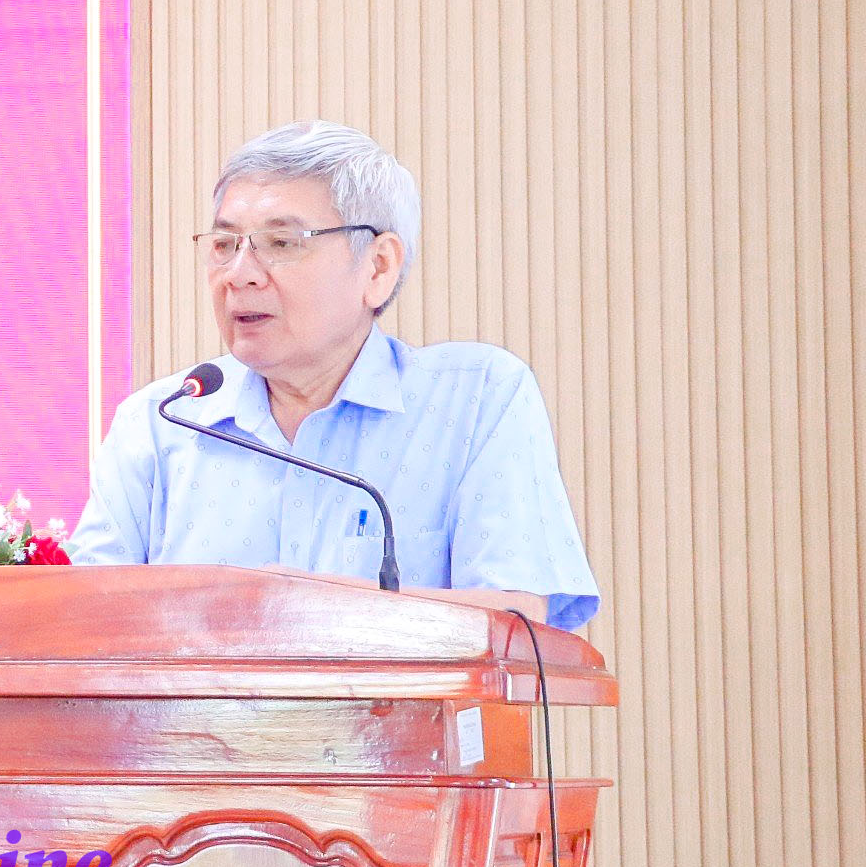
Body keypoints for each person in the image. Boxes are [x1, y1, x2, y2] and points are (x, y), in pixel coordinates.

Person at [66, 120, 599, 630]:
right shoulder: (162, 420)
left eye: (282, 243)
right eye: (224, 245)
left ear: (378, 267)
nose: (239, 275)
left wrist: (302, 608)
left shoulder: (477, 397)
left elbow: (516, 621)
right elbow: (77, 624)